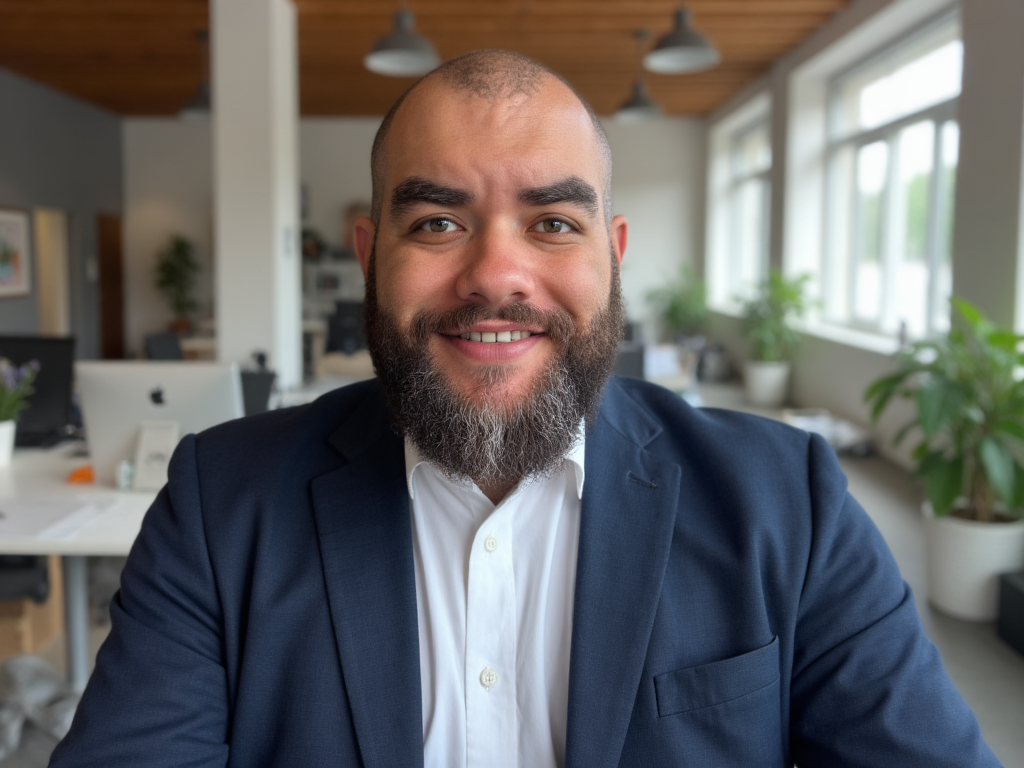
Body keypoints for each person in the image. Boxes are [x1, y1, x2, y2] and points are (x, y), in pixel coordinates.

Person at [50, 51, 999, 767]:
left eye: (553, 223)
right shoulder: (223, 503)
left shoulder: (789, 501)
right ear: (372, 252)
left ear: (612, 252)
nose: (497, 273)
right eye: (437, 223)